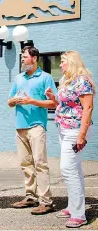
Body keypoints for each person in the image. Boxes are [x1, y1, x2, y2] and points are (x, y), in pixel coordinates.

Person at [45, 51, 95, 228]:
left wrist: (82, 135)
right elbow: (65, 103)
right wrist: (54, 98)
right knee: (75, 168)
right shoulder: (68, 80)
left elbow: (88, 108)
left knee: (67, 169)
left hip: (75, 130)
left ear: (72, 62)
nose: (60, 65)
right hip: (64, 128)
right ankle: (73, 205)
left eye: (63, 61)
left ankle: (79, 215)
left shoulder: (82, 80)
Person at [8, 46, 57, 215]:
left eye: (25, 57)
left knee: (40, 164)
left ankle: (46, 201)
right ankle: (30, 197)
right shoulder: (18, 78)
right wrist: (14, 100)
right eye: (22, 57)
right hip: (20, 127)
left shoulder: (46, 78)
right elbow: (9, 101)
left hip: (37, 126)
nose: (22, 59)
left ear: (34, 58)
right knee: (26, 164)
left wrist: (32, 101)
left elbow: (53, 103)